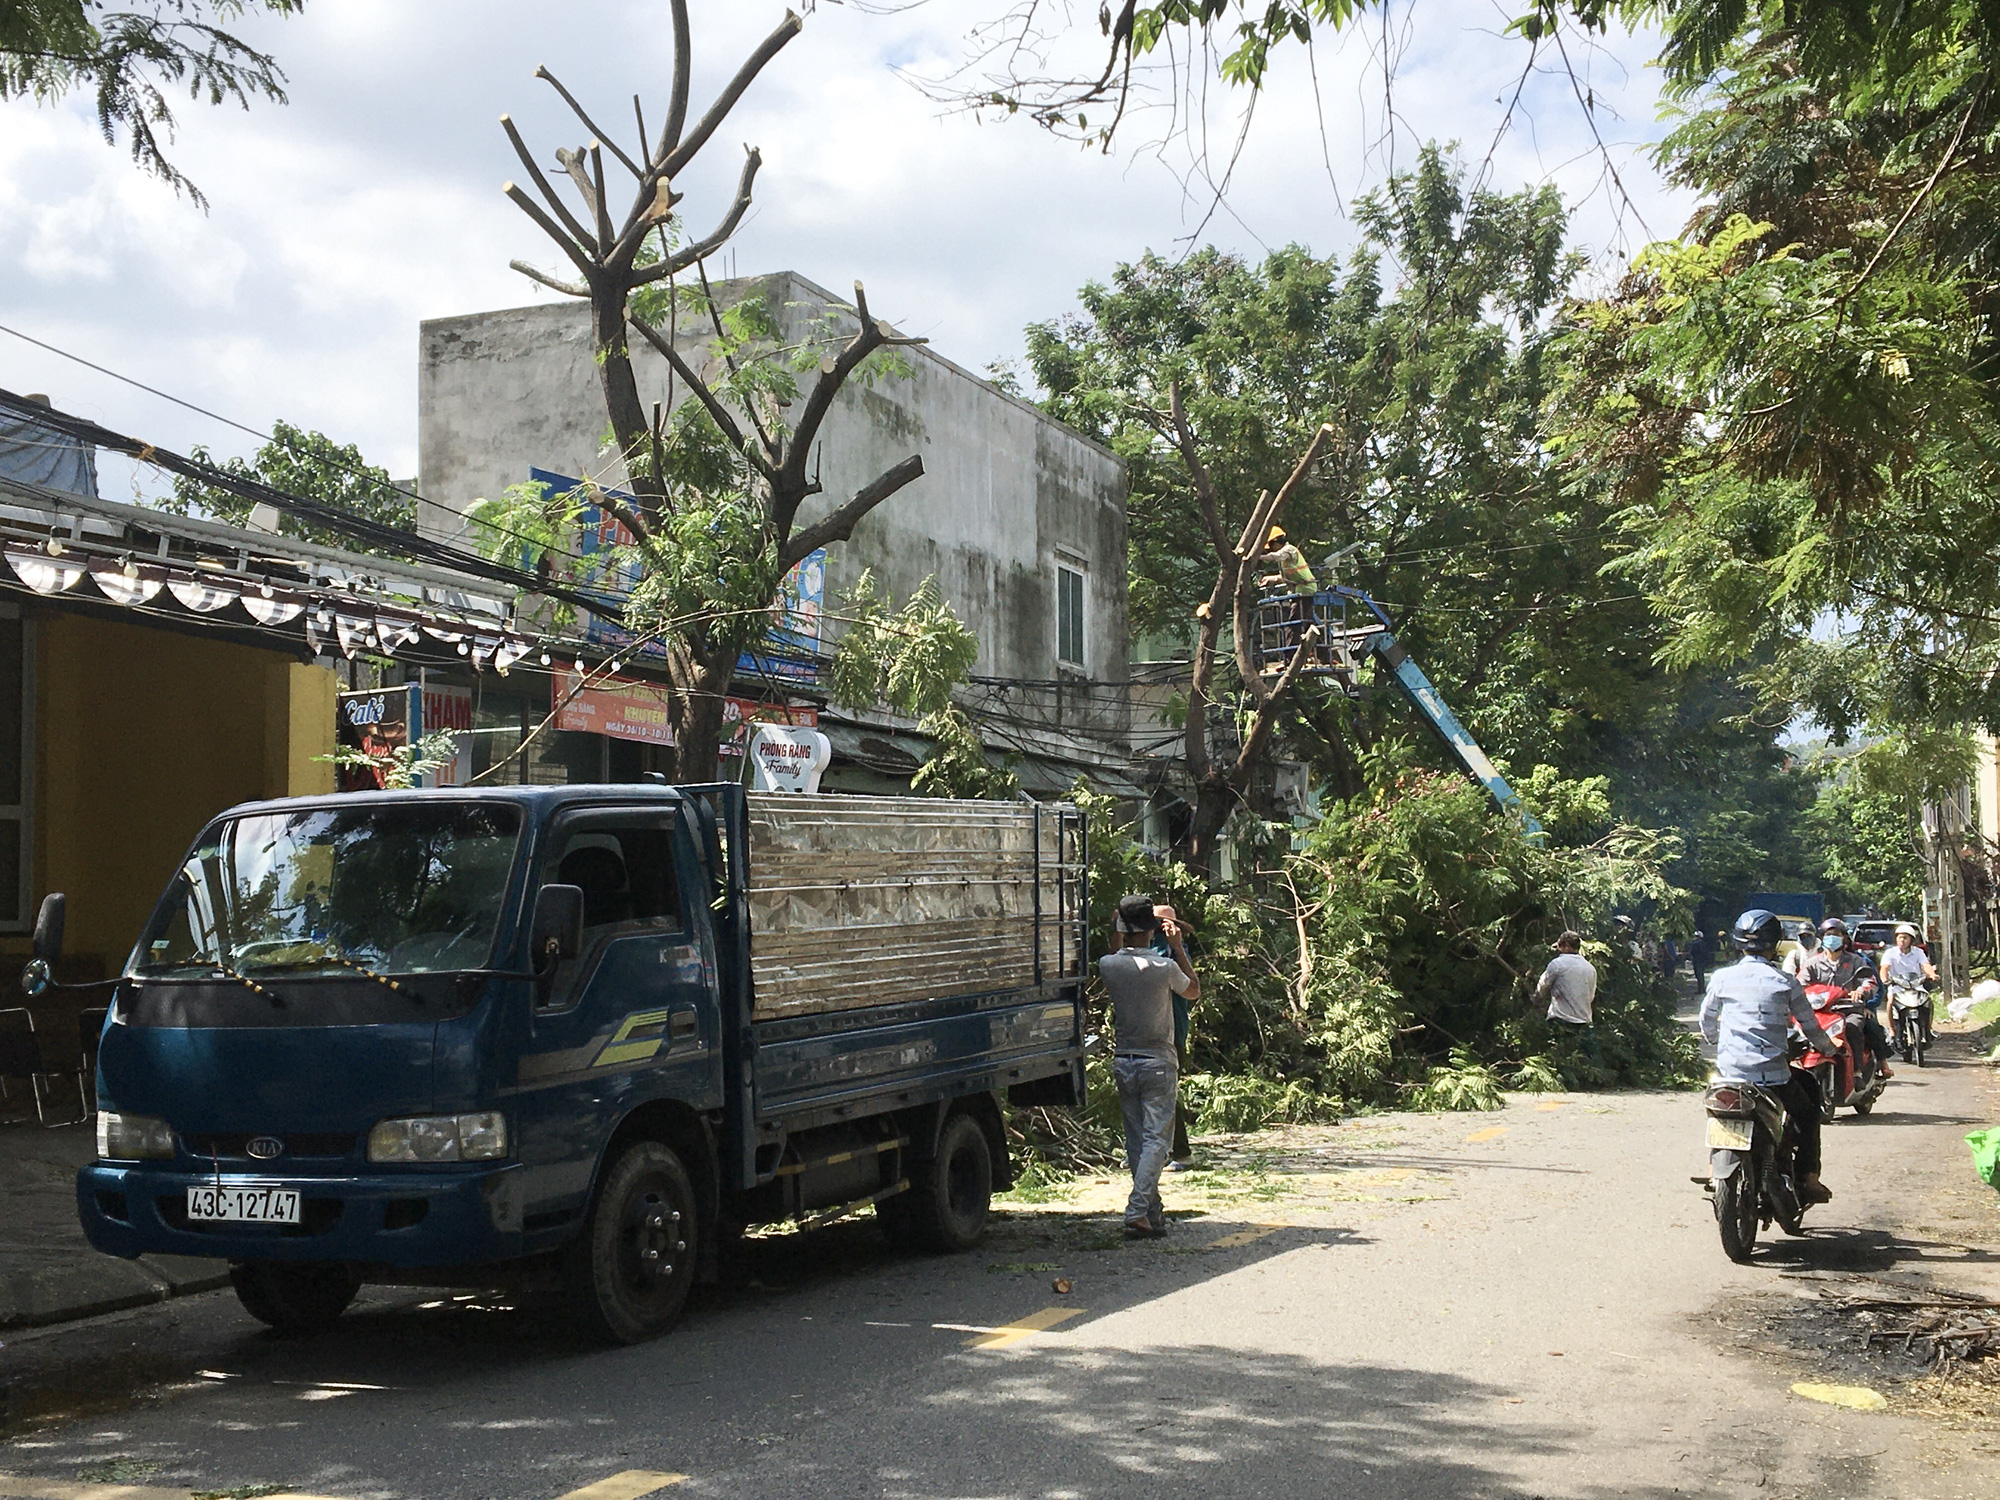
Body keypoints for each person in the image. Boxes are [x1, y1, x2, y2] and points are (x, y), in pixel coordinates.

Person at [1700, 909, 1842, 1204]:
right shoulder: (1785, 982)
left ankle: (1714, 1167)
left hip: (1729, 1074)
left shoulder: (1722, 978)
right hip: (1774, 1078)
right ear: (1776, 944)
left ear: (1738, 943)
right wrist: (1830, 1050)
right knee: (1806, 1110)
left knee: (1717, 1111)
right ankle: (1809, 1176)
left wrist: (1716, 1042)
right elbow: (1811, 1027)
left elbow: (1707, 1020)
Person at [1099, 893, 1200, 1239]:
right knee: (1158, 1140)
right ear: (1152, 930)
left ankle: (1152, 1215)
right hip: (1158, 1058)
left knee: (1137, 1141)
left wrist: (1117, 926)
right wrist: (1178, 947)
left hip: (1123, 1058)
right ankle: (1137, 1209)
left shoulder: (1109, 966)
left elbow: (1113, 952)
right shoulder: (1163, 967)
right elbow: (1193, 991)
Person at [1803, 916, 1893, 1077]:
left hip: (1849, 1010)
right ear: (1821, 938)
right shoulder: (1812, 964)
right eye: (1828, 935)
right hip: (1821, 1012)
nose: (1832, 938)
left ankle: (1857, 1070)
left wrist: (1861, 991)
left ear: (1844, 938)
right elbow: (1800, 985)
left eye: (1836, 935)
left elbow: (1870, 981)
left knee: (1853, 1027)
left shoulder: (1855, 961)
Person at [1535, 931, 1598, 1059]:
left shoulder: (1557, 964)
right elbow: (1591, 997)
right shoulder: (1590, 968)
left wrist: (1536, 1000)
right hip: (1584, 1023)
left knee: (1557, 1059)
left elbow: (1542, 987)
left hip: (1560, 1020)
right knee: (1587, 1062)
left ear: (1567, 946)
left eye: (1560, 945)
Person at [1879, 922, 1939, 1044]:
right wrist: (1885, 979)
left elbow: (1925, 965)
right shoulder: (1890, 953)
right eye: (1899, 937)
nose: (1902, 940)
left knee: (1928, 1002)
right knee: (1890, 1001)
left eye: (1905, 938)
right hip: (1897, 986)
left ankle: (1928, 1028)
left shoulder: (1918, 952)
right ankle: (1892, 1030)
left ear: (1911, 940)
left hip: (1916, 985)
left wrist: (1932, 975)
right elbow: (1884, 968)